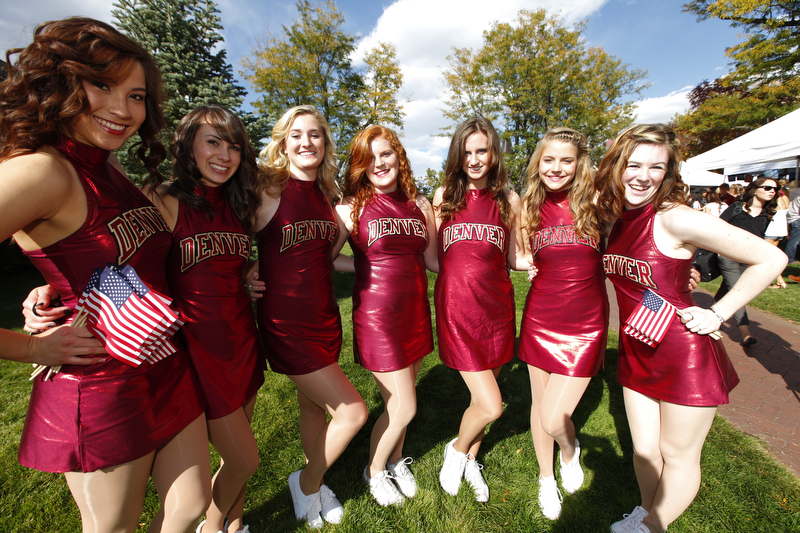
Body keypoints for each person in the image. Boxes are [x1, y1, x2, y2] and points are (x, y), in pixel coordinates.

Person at [1, 17, 211, 533]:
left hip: (163, 363)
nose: (122, 108)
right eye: (102, 85)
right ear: (60, 84)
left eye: (135, 94)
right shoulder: (43, 170)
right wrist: (30, 348)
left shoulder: (110, 167)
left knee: (190, 504)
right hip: (101, 387)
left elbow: (108, 251)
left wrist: (58, 279)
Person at [596, 124, 786, 533]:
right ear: (615, 167)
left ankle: (651, 528)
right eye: (632, 164)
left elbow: (771, 261)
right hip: (637, 347)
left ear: (668, 172)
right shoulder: (617, 217)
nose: (642, 175)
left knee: (677, 454)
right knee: (645, 452)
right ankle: (646, 515)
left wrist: (718, 313)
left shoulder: (675, 217)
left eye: (656, 167)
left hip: (684, 353)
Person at [247, 105, 368, 528]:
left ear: (325, 143)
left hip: (324, 317)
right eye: (296, 134)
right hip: (285, 322)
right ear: (284, 141)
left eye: (314, 134)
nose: (306, 142)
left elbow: (328, 257)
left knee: (313, 408)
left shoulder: (326, 194)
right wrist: (246, 270)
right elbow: (225, 236)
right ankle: (307, 481)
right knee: (353, 411)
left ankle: (314, 480)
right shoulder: (266, 188)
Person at [331, 125, 438, 506]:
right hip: (377, 318)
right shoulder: (350, 207)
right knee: (405, 404)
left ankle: (395, 460)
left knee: (400, 402)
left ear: (399, 156)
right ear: (360, 165)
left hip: (414, 313)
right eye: (369, 158)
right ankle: (374, 470)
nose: (379, 164)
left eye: (386, 154)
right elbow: (327, 258)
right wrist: (364, 265)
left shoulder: (420, 205)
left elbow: (431, 260)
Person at [433, 117, 527, 503]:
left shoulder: (509, 200)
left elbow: (516, 255)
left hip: (497, 309)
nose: (474, 159)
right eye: (467, 152)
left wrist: (545, 264)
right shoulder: (444, 196)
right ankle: (454, 452)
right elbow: (434, 256)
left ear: (494, 154)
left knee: (483, 397)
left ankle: (471, 457)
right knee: (491, 403)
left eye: (481, 151)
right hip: (457, 307)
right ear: (458, 155)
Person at [517, 128, 608, 519]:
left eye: (566, 160)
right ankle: (545, 478)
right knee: (541, 408)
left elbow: (631, 252)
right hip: (541, 315)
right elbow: (521, 256)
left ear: (579, 163)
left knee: (556, 417)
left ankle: (569, 453)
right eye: (548, 159)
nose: (556, 168)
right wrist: (526, 266)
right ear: (539, 162)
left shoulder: (600, 204)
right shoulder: (527, 207)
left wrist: (680, 278)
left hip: (587, 321)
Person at [716, 177, 780, 344]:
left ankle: (712, 313)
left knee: (727, 289)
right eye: (767, 187)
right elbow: (717, 228)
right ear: (755, 189)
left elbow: (768, 241)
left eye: (775, 188)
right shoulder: (737, 207)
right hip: (728, 257)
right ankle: (746, 333)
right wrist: (720, 250)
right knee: (737, 290)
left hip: (750, 259)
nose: (772, 191)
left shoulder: (770, 213)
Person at [764, 181, 790, 288]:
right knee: (772, 256)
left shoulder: (774, 200)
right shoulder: (785, 198)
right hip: (780, 230)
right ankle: (776, 279)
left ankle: (780, 280)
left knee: (768, 256)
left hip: (771, 230)